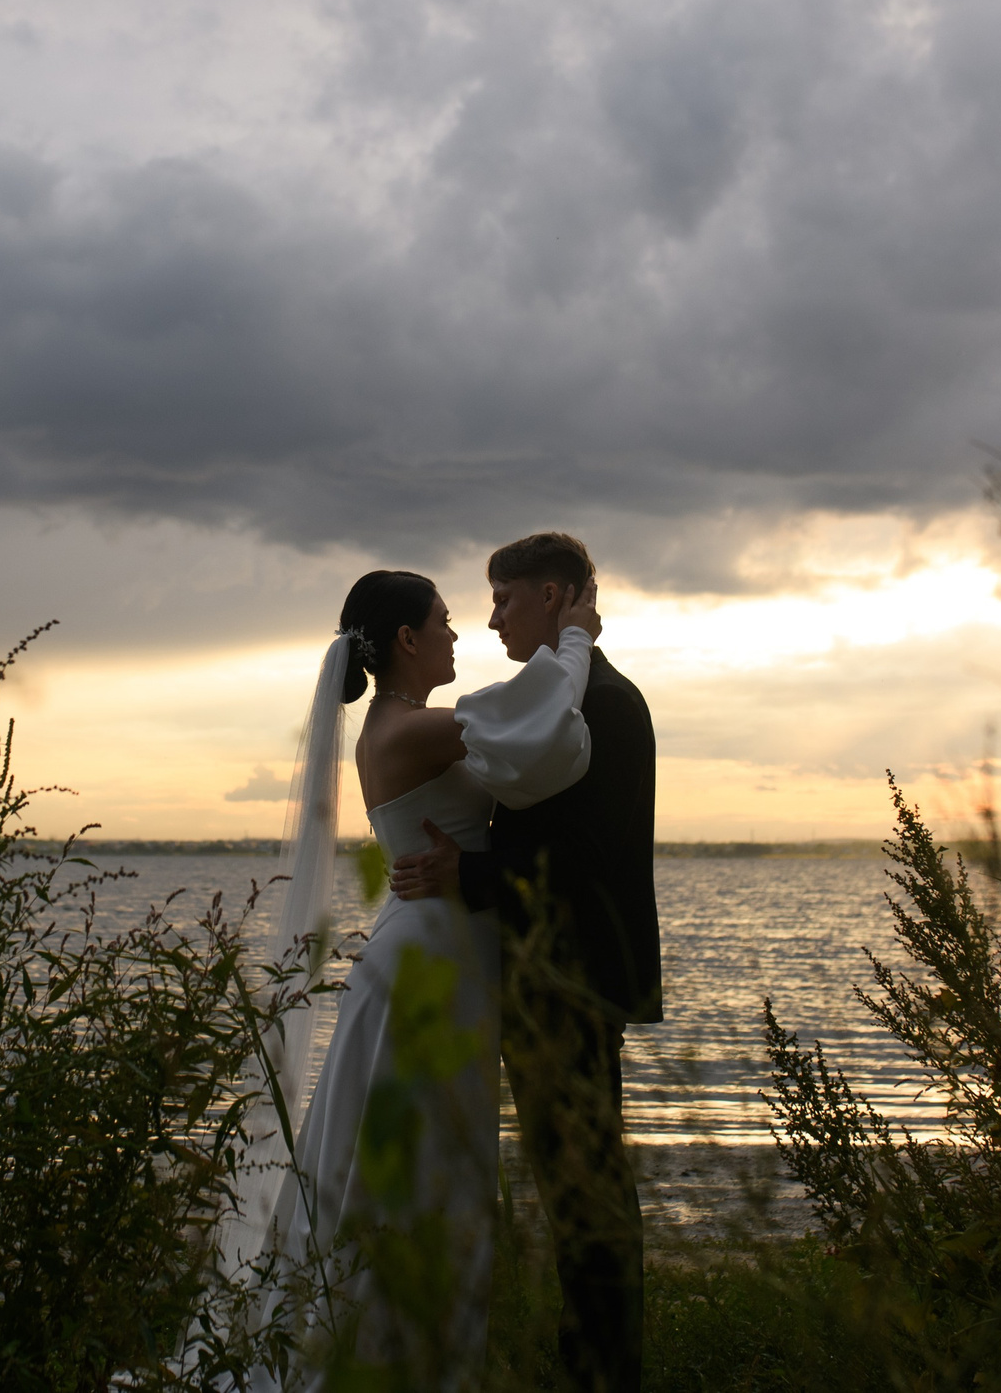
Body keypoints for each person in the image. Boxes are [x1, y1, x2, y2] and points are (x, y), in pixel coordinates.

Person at [239, 565, 600, 1390]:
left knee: (422, 1156)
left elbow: (530, 748)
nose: (456, 631)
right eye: (442, 619)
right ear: (406, 639)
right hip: (428, 960)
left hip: (445, 947)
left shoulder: (410, 723)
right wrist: (575, 634)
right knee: (413, 1163)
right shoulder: (404, 730)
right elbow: (532, 709)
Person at [391, 532, 662, 1393]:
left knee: (587, 1188)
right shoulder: (550, 701)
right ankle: (590, 1360)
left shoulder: (609, 707)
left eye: (504, 598)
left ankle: (603, 1371)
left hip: (574, 979)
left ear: (554, 597)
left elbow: (581, 858)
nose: (491, 615)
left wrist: (462, 871)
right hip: (543, 975)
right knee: (568, 1181)